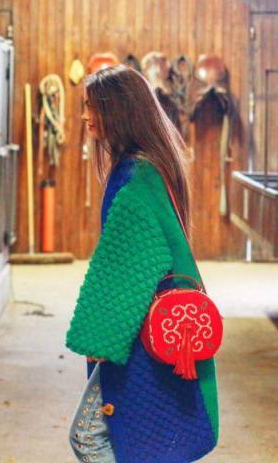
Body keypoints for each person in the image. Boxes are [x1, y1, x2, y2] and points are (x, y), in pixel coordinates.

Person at [65, 65, 219, 462]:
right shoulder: (151, 165)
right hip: (154, 328)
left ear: (119, 111)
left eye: (92, 107)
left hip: (137, 335)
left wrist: (99, 337)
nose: (85, 116)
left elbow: (126, 267)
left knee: (89, 437)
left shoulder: (135, 176)